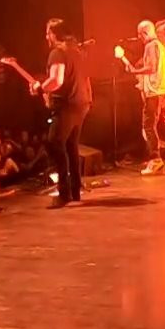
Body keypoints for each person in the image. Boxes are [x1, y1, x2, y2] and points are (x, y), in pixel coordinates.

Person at [34, 18, 93, 206]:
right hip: (82, 103)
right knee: (71, 145)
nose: (46, 37)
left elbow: (56, 80)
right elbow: (86, 79)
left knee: (54, 143)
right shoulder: (78, 52)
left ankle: (64, 193)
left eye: (47, 33)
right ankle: (75, 191)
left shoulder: (58, 53)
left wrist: (39, 88)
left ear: (54, 34)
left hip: (67, 105)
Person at [116, 20, 165, 174]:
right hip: (161, 91)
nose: (139, 37)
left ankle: (155, 159)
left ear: (145, 32)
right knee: (163, 124)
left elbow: (151, 68)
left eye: (140, 34)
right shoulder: (160, 47)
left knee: (148, 126)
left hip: (154, 93)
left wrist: (135, 71)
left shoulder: (151, 46)